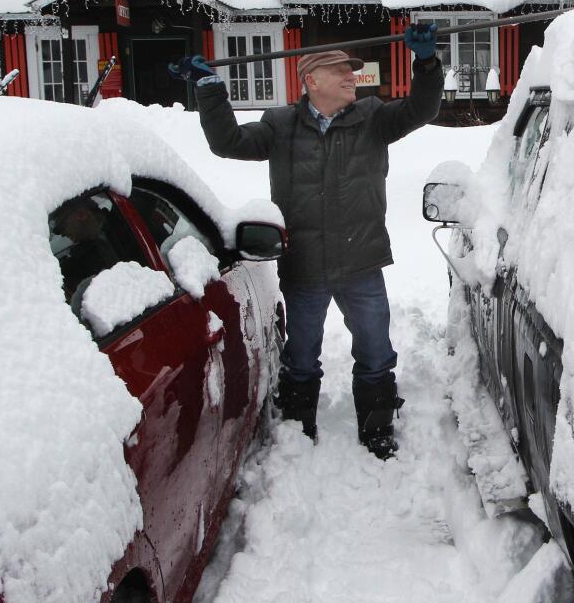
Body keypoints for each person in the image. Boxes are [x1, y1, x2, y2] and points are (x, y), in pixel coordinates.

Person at [173, 26, 443, 459]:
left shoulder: (373, 117)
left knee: (376, 351)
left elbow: (422, 109)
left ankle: (377, 429)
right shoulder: (280, 126)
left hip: (361, 260)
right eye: (340, 70)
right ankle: (299, 431)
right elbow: (227, 143)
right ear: (311, 80)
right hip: (305, 266)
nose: (351, 76)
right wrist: (208, 89)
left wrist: (427, 64)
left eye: (352, 71)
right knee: (301, 355)